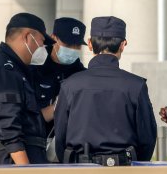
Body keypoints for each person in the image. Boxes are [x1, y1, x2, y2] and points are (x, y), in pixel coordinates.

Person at [54, 16, 157, 166]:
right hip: (123, 168)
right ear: (123, 44)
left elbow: (60, 137)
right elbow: (147, 138)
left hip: (80, 167)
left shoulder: (70, 85)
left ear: (89, 44)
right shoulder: (136, 85)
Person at [0, 13, 53, 165]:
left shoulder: (17, 70)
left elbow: (27, 119)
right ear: (28, 37)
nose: (43, 48)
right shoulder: (4, 71)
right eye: (42, 42)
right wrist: (24, 169)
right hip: (9, 163)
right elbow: (8, 128)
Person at [30, 17, 87, 162]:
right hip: (37, 149)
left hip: (73, 152)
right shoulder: (34, 69)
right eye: (68, 44)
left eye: (77, 46)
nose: (72, 50)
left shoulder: (83, 75)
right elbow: (24, 118)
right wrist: (55, 109)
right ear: (53, 38)